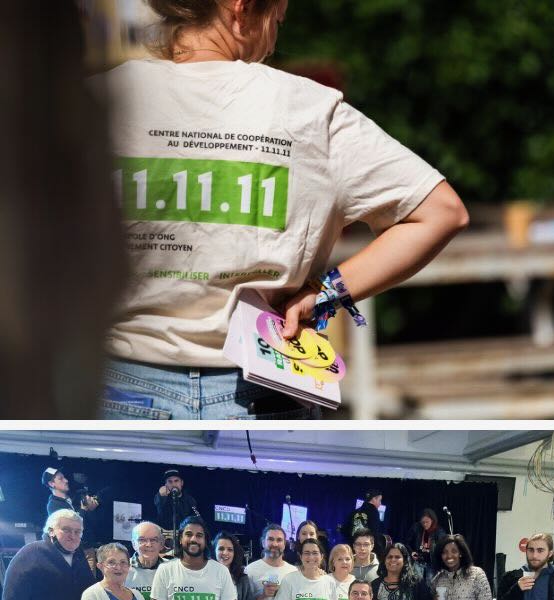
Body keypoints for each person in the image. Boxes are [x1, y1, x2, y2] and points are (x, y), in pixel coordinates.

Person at [95, 0, 467, 420]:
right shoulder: (309, 109)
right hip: (267, 385)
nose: (274, 40)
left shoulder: (97, 100)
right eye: (278, 19)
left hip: (122, 386)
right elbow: (442, 212)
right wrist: (321, 296)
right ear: (242, 7)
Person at [409, 508, 441, 576]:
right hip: (418, 561)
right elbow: (408, 543)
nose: (425, 524)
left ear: (432, 520)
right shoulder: (416, 528)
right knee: (417, 582)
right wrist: (411, 552)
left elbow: (442, 548)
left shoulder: (439, 532)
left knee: (430, 584)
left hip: (432, 563)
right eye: (423, 522)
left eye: (427, 522)